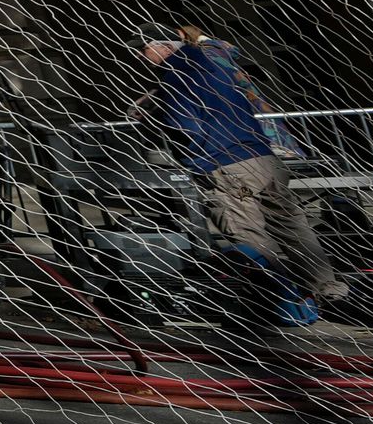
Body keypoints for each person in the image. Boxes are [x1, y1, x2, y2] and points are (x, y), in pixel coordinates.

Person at [140, 24, 338, 324]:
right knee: (292, 226)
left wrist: (164, 129)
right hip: (262, 156)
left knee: (246, 232)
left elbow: (184, 125)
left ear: (162, 47)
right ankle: (328, 290)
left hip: (226, 164)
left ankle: (281, 302)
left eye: (143, 50)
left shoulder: (175, 76)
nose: (141, 58)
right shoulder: (217, 63)